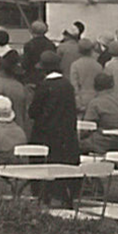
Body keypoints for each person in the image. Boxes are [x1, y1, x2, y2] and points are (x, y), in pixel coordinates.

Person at [29, 51, 81, 206]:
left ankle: (43, 195)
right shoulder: (67, 86)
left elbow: (33, 112)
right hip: (66, 135)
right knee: (63, 168)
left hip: (45, 134)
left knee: (42, 167)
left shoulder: (44, 86)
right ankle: (65, 196)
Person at [79, 72, 118, 155]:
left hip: (102, 143)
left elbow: (86, 128)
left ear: (95, 87)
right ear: (112, 85)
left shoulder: (95, 103)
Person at [69, 38, 103, 110]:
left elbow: (74, 85)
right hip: (96, 97)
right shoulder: (98, 65)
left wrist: (78, 103)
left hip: (81, 98)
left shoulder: (75, 65)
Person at [22, 20, 55, 88]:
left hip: (31, 77)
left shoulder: (29, 45)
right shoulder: (51, 44)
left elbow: (25, 63)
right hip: (47, 77)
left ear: (32, 31)